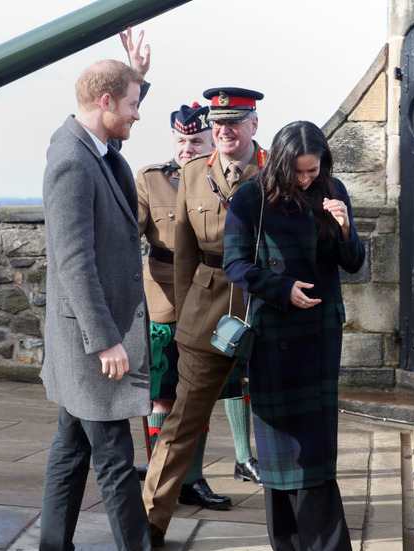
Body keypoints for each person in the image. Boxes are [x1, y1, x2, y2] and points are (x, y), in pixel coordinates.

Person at [222, 121, 365, 550]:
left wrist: (344, 228)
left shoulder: (332, 189)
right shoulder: (250, 199)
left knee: (317, 449)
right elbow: (235, 265)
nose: (306, 179)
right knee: (282, 450)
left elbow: (353, 262)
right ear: (281, 163)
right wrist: (282, 289)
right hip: (274, 335)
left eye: (313, 170)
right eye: (299, 172)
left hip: (319, 336)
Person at [37, 32, 154, 551]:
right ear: (106, 102)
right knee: (113, 460)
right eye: (131, 104)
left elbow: (119, 102)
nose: (137, 114)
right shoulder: (71, 161)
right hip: (89, 342)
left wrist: (137, 74)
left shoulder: (97, 147)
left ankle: (52, 545)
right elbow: (73, 262)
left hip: (83, 342)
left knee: (69, 451)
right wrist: (106, 339)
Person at [142, 87, 267, 547]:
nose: (225, 130)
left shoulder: (277, 171)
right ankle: (150, 524)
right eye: (219, 122)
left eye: (235, 121)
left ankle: (293, 524)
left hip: (264, 308)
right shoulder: (194, 174)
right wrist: (186, 313)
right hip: (206, 310)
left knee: (275, 423)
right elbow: (184, 256)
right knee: (181, 423)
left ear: (254, 124)